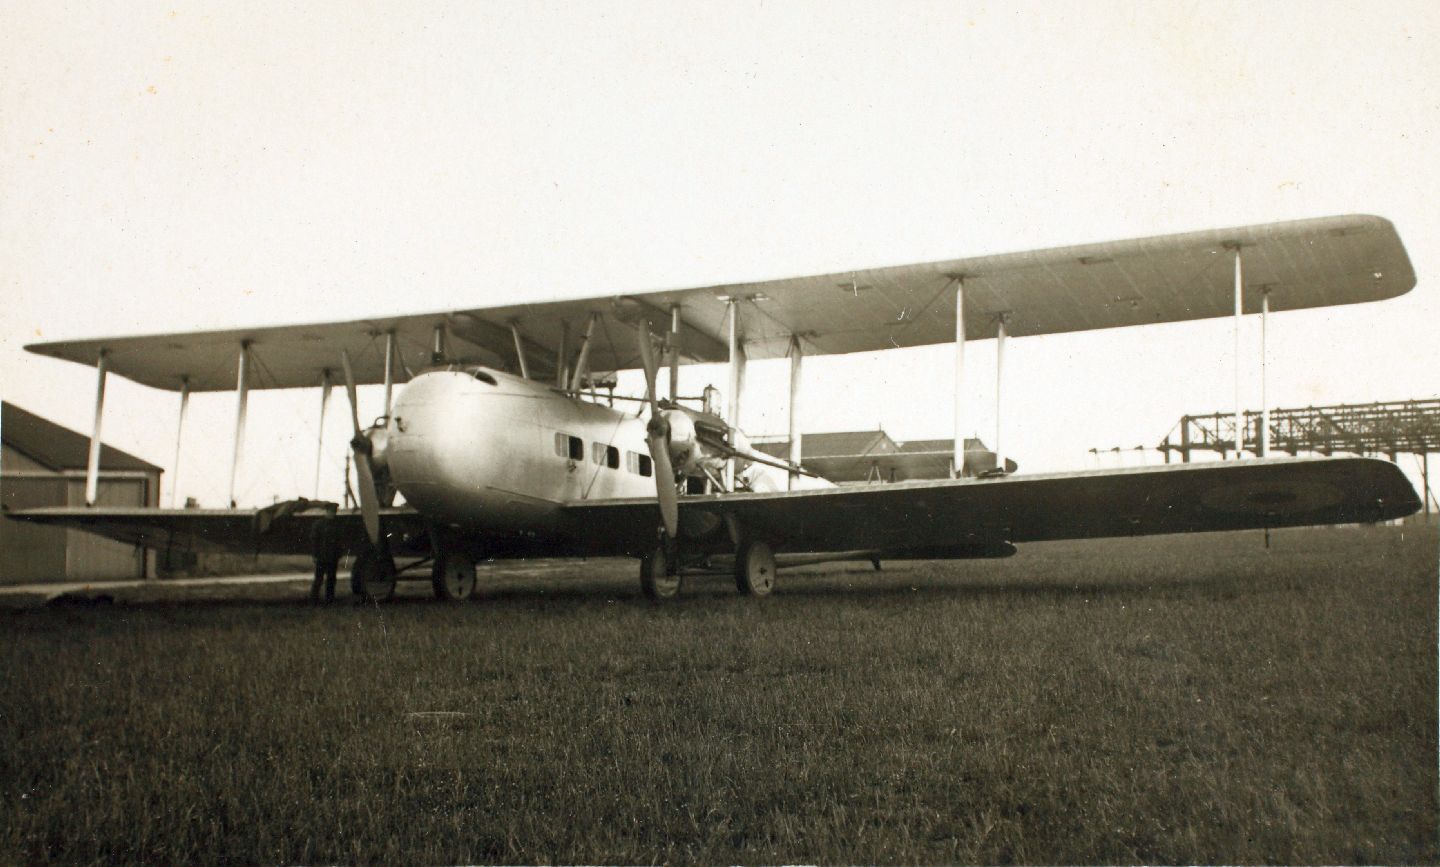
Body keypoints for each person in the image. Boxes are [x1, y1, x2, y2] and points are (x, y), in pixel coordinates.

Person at [310, 504, 343, 604]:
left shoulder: (337, 525)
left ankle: (330, 600)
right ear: (327, 511)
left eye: (334, 511)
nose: (333, 513)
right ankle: (313, 600)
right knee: (318, 579)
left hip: (333, 557)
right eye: (331, 511)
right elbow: (314, 541)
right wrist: (315, 555)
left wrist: (339, 554)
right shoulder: (319, 524)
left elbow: (339, 541)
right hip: (321, 557)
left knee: (331, 579)